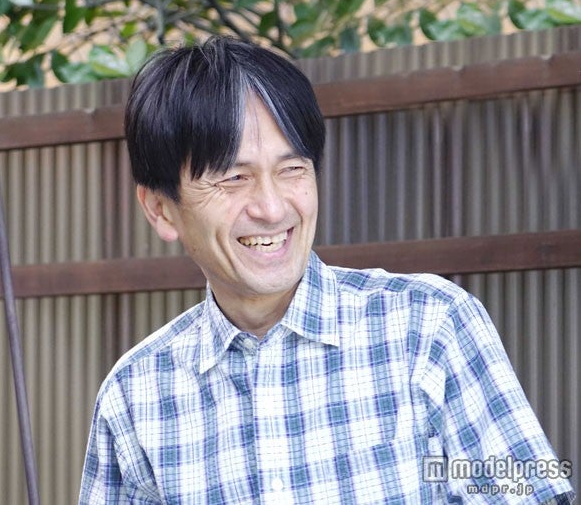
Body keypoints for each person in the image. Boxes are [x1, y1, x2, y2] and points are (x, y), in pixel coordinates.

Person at [78, 36, 575, 504]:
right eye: (234, 177)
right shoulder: (136, 394)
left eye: (293, 169)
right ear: (161, 209)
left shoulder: (431, 325)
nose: (272, 208)